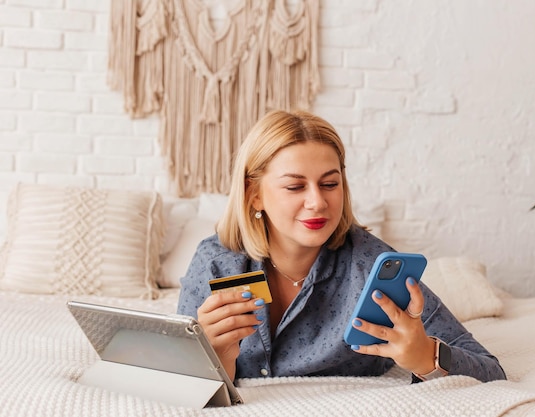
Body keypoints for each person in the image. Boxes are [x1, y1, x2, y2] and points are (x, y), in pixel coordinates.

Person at [177, 110, 506, 383]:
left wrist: (425, 356)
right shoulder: (214, 262)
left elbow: (489, 369)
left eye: (329, 184)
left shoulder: (371, 265)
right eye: (295, 186)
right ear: (254, 194)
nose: (317, 202)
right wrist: (215, 360)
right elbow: (179, 384)